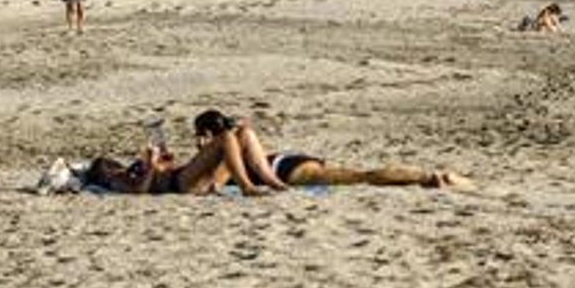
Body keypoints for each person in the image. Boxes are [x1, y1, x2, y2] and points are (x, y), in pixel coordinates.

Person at [193, 110, 471, 189]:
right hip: (287, 160)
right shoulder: (236, 142)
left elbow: (214, 178)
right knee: (356, 174)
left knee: (362, 176)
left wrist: (202, 153)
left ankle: (427, 177)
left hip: (287, 170)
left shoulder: (222, 155)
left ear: (207, 135)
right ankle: (445, 179)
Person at [82, 113, 287, 196]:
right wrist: (152, 167)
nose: (114, 167)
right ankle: (247, 187)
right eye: (108, 167)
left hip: (185, 176)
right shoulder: (116, 180)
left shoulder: (127, 169)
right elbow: (140, 192)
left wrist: (163, 161)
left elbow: (162, 171)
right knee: (225, 138)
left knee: (243, 133)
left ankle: (274, 183)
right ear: (103, 173)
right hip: (180, 184)